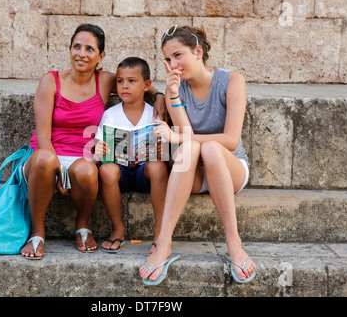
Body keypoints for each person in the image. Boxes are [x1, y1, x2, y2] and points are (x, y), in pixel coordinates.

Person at [20, 24, 167, 259]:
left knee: (89, 170)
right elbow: (43, 135)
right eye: (77, 46)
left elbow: (140, 83)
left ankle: (82, 225)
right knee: (46, 159)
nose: (82, 54)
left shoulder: (106, 80)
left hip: (83, 156)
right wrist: (59, 170)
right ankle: (37, 232)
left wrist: (159, 96)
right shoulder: (51, 81)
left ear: (101, 56)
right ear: (70, 50)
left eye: (90, 49)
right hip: (46, 154)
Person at [139, 25, 256, 284]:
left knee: (212, 148)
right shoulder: (174, 90)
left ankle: (233, 242)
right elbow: (187, 137)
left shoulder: (232, 81)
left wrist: (179, 138)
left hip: (229, 166)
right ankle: (164, 243)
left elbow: (230, 139)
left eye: (178, 56)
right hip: (192, 173)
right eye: (167, 60)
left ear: (198, 52)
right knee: (191, 147)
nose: (173, 66)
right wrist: (171, 96)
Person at [94, 57, 168, 253]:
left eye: (131, 81)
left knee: (158, 166)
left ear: (147, 85)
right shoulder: (110, 114)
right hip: (120, 173)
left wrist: (163, 151)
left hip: (146, 173)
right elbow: (98, 147)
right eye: (120, 81)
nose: (124, 86)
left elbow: (169, 149)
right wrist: (99, 151)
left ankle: (160, 230)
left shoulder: (156, 114)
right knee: (107, 170)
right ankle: (118, 227)